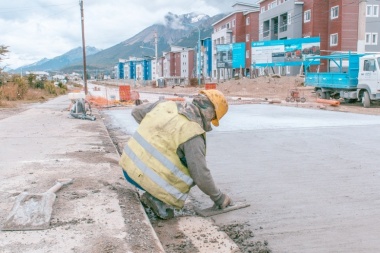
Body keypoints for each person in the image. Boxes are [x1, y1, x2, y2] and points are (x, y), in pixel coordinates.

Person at [119, 89, 232, 219]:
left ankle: (153, 192)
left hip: (128, 168)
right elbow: (201, 175)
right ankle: (157, 198)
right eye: (213, 118)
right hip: (147, 180)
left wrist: (158, 134)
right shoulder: (192, 133)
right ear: (210, 113)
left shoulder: (165, 105)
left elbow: (136, 112)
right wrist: (219, 198)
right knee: (190, 167)